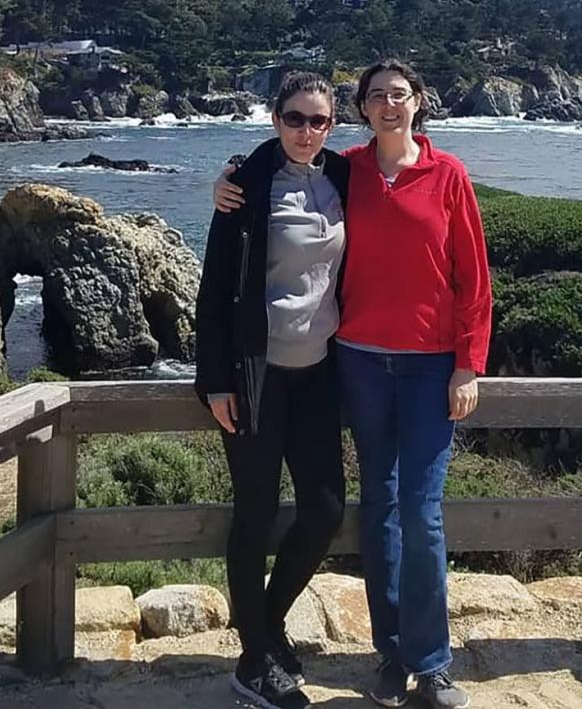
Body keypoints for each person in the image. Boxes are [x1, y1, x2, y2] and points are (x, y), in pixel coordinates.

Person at [215, 60, 492, 709]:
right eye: (377, 97)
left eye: (400, 95)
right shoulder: (343, 171)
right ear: (363, 110)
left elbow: (474, 279)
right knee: (368, 509)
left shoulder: (431, 174)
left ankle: (428, 662)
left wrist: (468, 362)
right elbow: (280, 157)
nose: (389, 105)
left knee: (403, 512)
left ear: (418, 103)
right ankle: (371, 654)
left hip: (401, 369)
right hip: (341, 365)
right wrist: (229, 178)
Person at [195, 71, 349, 709]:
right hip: (256, 376)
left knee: (325, 509)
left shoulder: (344, 178)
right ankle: (254, 660)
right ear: (274, 118)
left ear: (332, 125)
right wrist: (214, 382)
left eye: (317, 120)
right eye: (294, 118)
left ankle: (268, 623)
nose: (305, 131)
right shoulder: (246, 187)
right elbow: (214, 290)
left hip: (319, 375)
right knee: (255, 515)